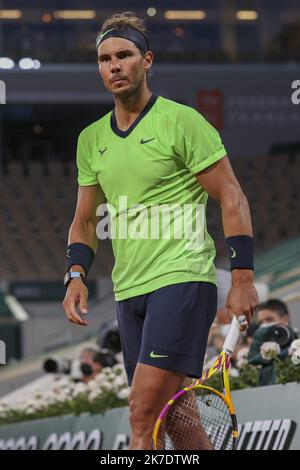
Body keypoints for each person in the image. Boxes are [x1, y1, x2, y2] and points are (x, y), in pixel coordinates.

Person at [62, 12, 258, 450]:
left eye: (125, 55)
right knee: (179, 422)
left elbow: (232, 198)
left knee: (141, 417)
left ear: (146, 60)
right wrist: (75, 274)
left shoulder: (181, 122)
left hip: (182, 279)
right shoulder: (91, 140)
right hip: (129, 290)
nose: (114, 65)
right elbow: (86, 218)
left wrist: (242, 277)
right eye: (105, 58)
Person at [248, 299, 297, 385]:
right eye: (261, 322)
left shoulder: (297, 339)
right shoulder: (258, 349)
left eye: (269, 320)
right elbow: (252, 359)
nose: (264, 325)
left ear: (285, 320)